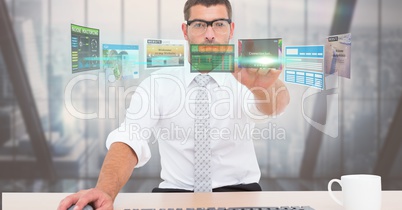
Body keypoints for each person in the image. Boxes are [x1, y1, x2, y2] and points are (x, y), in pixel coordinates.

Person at [58, 0, 290, 209]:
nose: (209, 34)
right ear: (185, 31)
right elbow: (130, 137)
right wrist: (104, 191)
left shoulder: (245, 77)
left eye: (219, 24)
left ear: (231, 29)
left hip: (241, 194)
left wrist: (265, 85)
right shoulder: (157, 83)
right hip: (175, 194)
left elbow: (273, 107)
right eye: (199, 25)